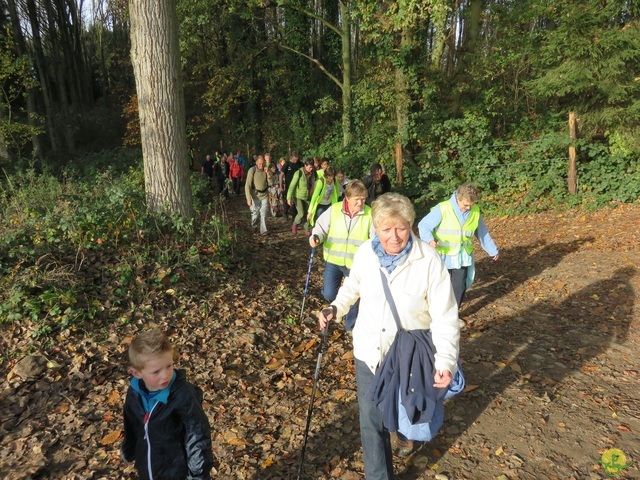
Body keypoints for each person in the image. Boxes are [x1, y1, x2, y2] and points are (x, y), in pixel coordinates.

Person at [317, 193, 460, 479]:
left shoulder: (429, 260)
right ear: (376, 228)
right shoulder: (366, 255)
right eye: (386, 229)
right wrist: (336, 307)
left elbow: (445, 316)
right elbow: (351, 288)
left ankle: (405, 433)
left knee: (403, 413)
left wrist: (445, 360)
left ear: (411, 225)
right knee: (371, 423)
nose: (394, 236)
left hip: (409, 357)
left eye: (401, 228)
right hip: (369, 352)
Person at [121, 328, 214, 480]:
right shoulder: (135, 392)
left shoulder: (183, 394)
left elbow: (197, 433)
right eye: (156, 372)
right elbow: (131, 420)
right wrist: (129, 447)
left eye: (169, 366)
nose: (165, 375)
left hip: (177, 469)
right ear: (137, 373)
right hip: (148, 465)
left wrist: (198, 474)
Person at [417, 184, 500, 317]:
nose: (469, 208)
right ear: (458, 198)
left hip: (462, 256)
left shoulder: (475, 211)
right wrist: (429, 240)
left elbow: (482, 233)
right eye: (466, 205)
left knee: (459, 286)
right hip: (442, 255)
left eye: (471, 205)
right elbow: (424, 225)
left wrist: (492, 250)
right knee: (438, 285)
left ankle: (452, 315)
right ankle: (433, 313)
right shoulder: (443, 208)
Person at [309, 180, 375, 331]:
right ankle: (338, 309)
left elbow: (374, 240)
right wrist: (316, 237)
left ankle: (350, 327)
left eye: (363, 199)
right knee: (329, 293)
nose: (361, 202)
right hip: (333, 261)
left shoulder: (370, 214)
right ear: (347, 198)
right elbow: (320, 228)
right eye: (357, 199)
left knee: (354, 297)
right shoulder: (335, 210)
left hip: (356, 265)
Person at [245, 155, 273, 235]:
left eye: (263, 163)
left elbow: (271, 183)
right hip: (255, 196)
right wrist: (248, 199)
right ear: (256, 163)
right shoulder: (252, 170)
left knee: (263, 213)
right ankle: (254, 226)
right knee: (255, 214)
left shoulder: (266, 170)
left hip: (264, 195)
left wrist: (268, 173)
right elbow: (247, 185)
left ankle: (263, 230)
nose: (261, 165)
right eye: (260, 163)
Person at [286, 159, 316, 234]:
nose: (311, 169)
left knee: (308, 213)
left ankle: (307, 228)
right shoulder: (298, 173)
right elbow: (292, 185)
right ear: (305, 166)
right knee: (301, 213)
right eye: (309, 167)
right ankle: (295, 224)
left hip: (308, 197)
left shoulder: (314, 174)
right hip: (298, 196)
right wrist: (289, 197)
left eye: (312, 167)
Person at [282, 151, 303, 219]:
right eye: (294, 159)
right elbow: (281, 174)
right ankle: (285, 212)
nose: (296, 161)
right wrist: (281, 185)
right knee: (288, 199)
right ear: (291, 157)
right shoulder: (287, 164)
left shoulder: (300, 164)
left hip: (298, 186)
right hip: (289, 185)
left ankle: (295, 215)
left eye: (297, 159)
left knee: (296, 201)